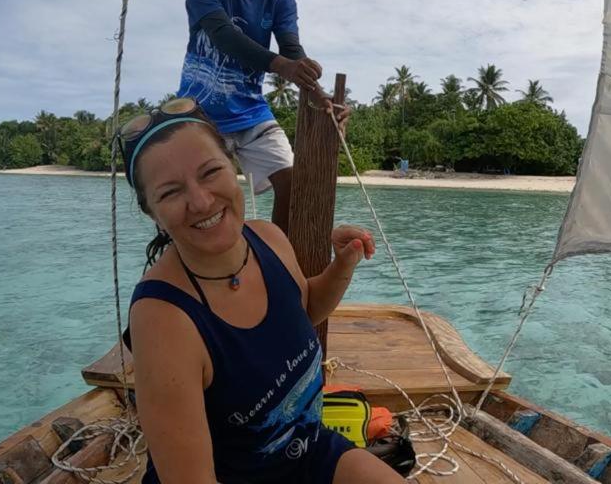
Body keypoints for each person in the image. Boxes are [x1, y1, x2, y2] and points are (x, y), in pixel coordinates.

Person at [120, 98, 403, 483]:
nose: (201, 201)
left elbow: (302, 311)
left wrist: (342, 266)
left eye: (210, 172)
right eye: (170, 192)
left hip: (310, 451)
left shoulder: (268, 239)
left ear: (234, 164)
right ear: (151, 212)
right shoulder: (162, 316)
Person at [177, 0, 346, 234]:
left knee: (293, 185)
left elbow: (291, 50)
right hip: (199, 113)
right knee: (206, 199)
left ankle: (276, 260)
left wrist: (322, 98)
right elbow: (223, 35)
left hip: (252, 112)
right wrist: (283, 66)